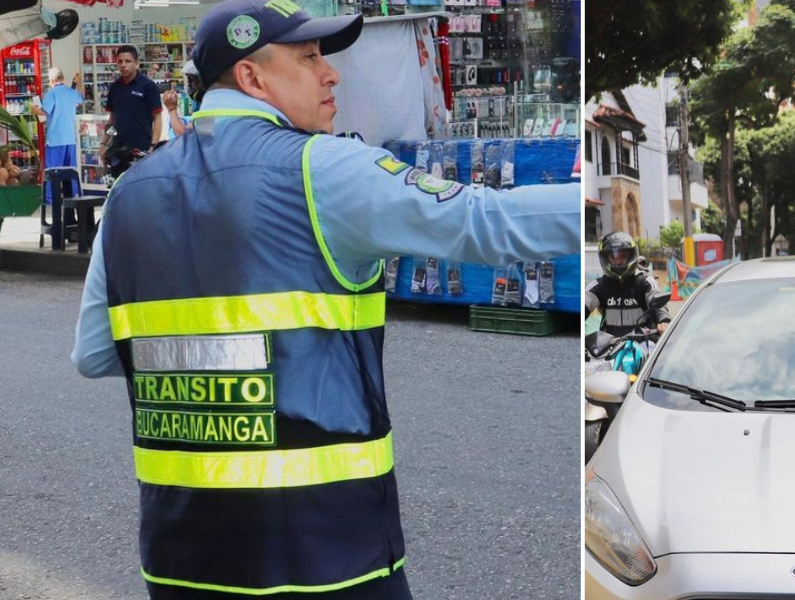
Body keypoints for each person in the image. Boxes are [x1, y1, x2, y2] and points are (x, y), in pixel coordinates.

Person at [69, 0, 579, 597]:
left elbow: (95, 355)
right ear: (251, 78)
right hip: (328, 554)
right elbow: (485, 222)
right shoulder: (325, 169)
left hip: (180, 556)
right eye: (309, 57)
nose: (331, 73)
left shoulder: (130, 193)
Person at [586, 231, 670, 338]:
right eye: (613, 257)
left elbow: (657, 299)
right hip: (609, 347)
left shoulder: (645, 281)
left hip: (643, 345)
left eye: (622, 256)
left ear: (631, 256)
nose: (618, 261)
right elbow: (586, 299)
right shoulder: (599, 285)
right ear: (606, 259)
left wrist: (664, 320)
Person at [100, 44, 163, 175]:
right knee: (118, 190)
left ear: (137, 63)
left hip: (141, 151)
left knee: (140, 191)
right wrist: (103, 144)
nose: (123, 65)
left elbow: (157, 119)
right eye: (120, 61)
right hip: (117, 151)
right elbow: (112, 120)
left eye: (128, 61)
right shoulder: (114, 88)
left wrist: (153, 147)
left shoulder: (148, 87)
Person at [31, 67, 83, 206]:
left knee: (52, 172)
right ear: (62, 78)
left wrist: (33, 108)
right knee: (71, 171)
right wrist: (78, 84)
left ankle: (50, 200)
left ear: (50, 80)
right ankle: (74, 197)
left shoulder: (52, 94)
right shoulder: (71, 92)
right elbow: (80, 99)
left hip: (55, 140)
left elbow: (44, 111)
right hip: (70, 139)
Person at [164, 61, 204, 140]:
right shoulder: (201, 103)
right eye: (189, 80)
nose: (190, 85)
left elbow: (184, 137)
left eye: (192, 80)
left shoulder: (211, 105)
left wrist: (172, 109)